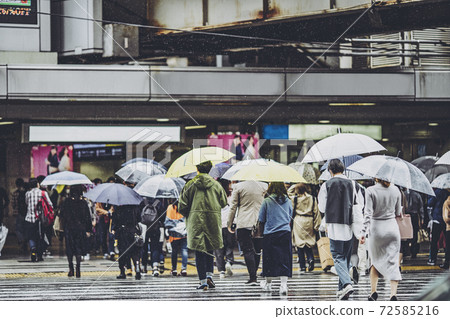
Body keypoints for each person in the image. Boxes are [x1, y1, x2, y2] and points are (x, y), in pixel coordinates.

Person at [318, 159, 362, 300]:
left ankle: (347, 284)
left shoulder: (326, 185)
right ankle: (341, 289)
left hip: (333, 224)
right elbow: (357, 203)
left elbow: (321, 207)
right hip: (349, 224)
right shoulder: (353, 184)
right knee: (345, 257)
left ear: (330, 170)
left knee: (337, 257)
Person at [179, 160, 227, 290]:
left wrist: (189, 212)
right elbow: (223, 203)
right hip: (212, 219)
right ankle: (209, 275)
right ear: (210, 169)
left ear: (197, 168)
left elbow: (182, 205)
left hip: (196, 221)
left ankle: (203, 282)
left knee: (199, 251)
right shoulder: (216, 185)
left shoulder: (190, 185)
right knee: (210, 248)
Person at [359, 178, 402, 301]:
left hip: (377, 229)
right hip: (392, 229)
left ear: (376, 178)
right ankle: (393, 294)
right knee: (393, 262)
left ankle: (373, 292)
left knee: (375, 261)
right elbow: (398, 212)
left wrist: (363, 232)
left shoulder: (370, 190)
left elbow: (368, 213)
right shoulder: (396, 190)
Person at [228, 179, 268, 285]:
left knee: (247, 250)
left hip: (244, 222)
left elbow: (233, 207)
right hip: (259, 222)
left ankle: (253, 277)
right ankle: (254, 274)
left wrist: (229, 223)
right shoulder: (264, 186)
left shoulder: (238, 187)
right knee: (257, 250)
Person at [258, 182, 293, 295]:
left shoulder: (267, 201)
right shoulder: (288, 201)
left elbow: (261, 218)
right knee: (285, 259)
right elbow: (290, 216)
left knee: (269, 259)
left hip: (270, 233)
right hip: (285, 232)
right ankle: (283, 285)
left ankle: (268, 284)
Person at [60, 185, 92, 277]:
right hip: (80, 229)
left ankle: (71, 269)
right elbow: (87, 217)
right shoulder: (83, 203)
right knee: (78, 249)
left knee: (69, 249)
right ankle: (78, 269)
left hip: (69, 229)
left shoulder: (66, 202)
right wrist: (88, 230)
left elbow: (62, 215)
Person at [288, 183, 321, 273]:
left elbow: (288, 193)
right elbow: (316, 211)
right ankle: (310, 258)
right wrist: (316, 225)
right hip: (309, 220)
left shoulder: (295, 199)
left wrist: (295, 184)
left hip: (299, 220)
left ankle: (302, 266)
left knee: (300, 243)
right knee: (308, 242)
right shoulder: (312, 198)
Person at [25, 178, 53, 262]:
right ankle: (40, 255)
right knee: (40, 237)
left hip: (29, 219)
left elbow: (26, 203)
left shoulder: (27, 194)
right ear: (37, 184)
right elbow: (50, 204)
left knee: (31, 236)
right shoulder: (43, 193)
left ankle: (33, 249)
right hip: (40, 219)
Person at [112, 204, 142, 280]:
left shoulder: (118, 208)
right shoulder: (135, 207)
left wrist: (114, 229)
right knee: (135, 252)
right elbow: (139, 219)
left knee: (123, 252)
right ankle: (137, 268)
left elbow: (115, 222)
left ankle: (122, 271)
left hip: (122, 233)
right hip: (133, 231)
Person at [214, 179, 236, 279]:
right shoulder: (231, 195)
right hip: (229, 224)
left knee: (218, 248)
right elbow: (234, 208)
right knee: (229, 246)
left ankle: (221, 271)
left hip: (217, 224)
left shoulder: (215, 195)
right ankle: (228, 261)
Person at [427, 188, 450, 266]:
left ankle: (433, 259)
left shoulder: (437, 192)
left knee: (434, 240)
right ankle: (447, 259)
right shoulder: (448, 194)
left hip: (437, 218)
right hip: (447, 220)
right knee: (447, 241)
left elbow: (430, 203)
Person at [164, 200, 188, 276]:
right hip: (184, 233)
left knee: (174, 251)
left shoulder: (170, 207)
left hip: (174, 234)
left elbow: (168, 221)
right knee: (184, 250)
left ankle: (174, 269)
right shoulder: (185, 207)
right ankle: (184, 268)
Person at [404, 189, 424, 259]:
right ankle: (414, 252)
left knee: (405, 234)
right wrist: (422, 218)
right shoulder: (417, 195)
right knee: (415, 234)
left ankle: (405, 251)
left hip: (405, 216)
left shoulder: (404, 194)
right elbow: (421, 208)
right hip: (414, 216)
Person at [11, 178, 27, 250]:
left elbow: (13, 204)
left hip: (18, 213)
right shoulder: (27, 192)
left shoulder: (15, 193)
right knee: (25, 228)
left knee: (18, 229)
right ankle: (25, 242)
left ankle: (21, 240)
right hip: (26, 213)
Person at [441, 195, 450, 270]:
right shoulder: (447, 203)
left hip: (449, 228)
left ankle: (447, 263)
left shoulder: (446, 202)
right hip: (449, 228)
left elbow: (445, 218)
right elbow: (446, 218)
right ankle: (447, 263)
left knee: (448, 246)